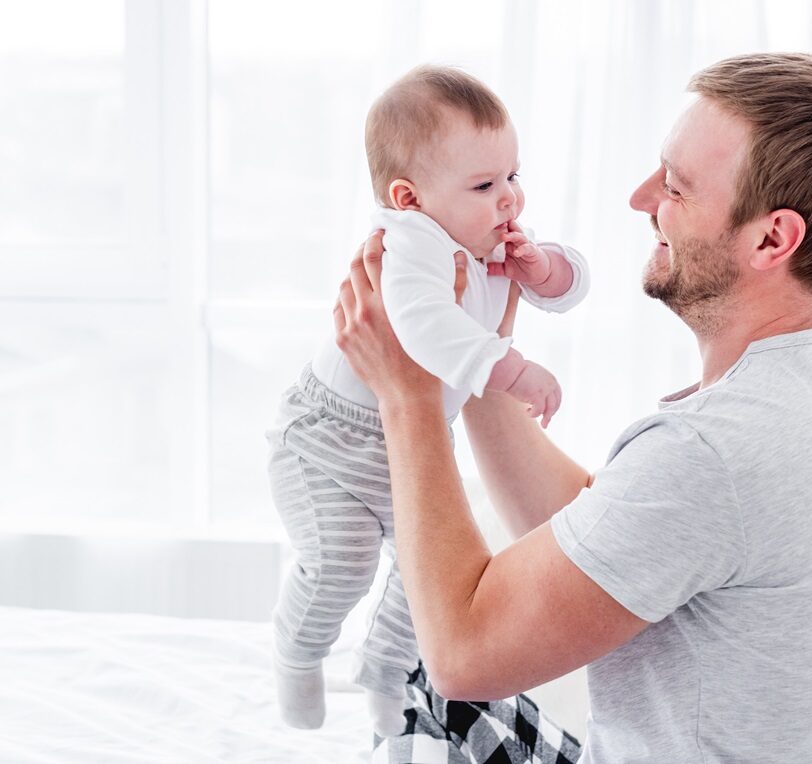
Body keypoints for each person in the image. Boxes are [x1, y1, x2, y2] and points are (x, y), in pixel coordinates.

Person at [333, 52, 812, 763]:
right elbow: (617, 533)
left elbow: (462, 654)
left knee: (421, 677)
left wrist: (408, 395)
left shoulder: (715, 453)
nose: (641, 200)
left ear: (771, 238)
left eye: (675, 186)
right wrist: (478, 354)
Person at [267, 65, 590, 736]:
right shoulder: (410, 240)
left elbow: (568, 286)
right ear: (409, 197)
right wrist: (511, 369)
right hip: (331, 438)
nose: (509, 198)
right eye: (485, 185)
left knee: (432, 579)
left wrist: (545, 270)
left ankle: (385, 674)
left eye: (513, 175)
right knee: (341, 566)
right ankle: (297, 653)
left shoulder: (483, 235)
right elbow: (423, 326)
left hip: (409, 433)